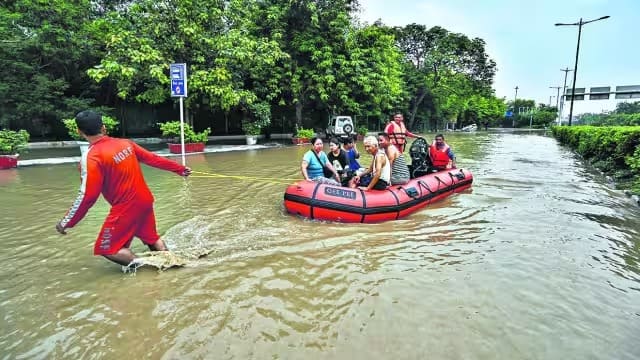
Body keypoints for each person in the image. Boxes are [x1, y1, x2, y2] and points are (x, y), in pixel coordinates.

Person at [55, 110, 192, 268]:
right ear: (104, 128)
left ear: (79, 132)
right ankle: (176, 268)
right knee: (152, 238)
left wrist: (67, 222)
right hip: (145, 201)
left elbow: (87, 196)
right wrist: (180, 169)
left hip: (126, 207)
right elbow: (153, 159)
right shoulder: (125, 143)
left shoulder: (91, 157)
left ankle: (147, 268)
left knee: (107, 248)